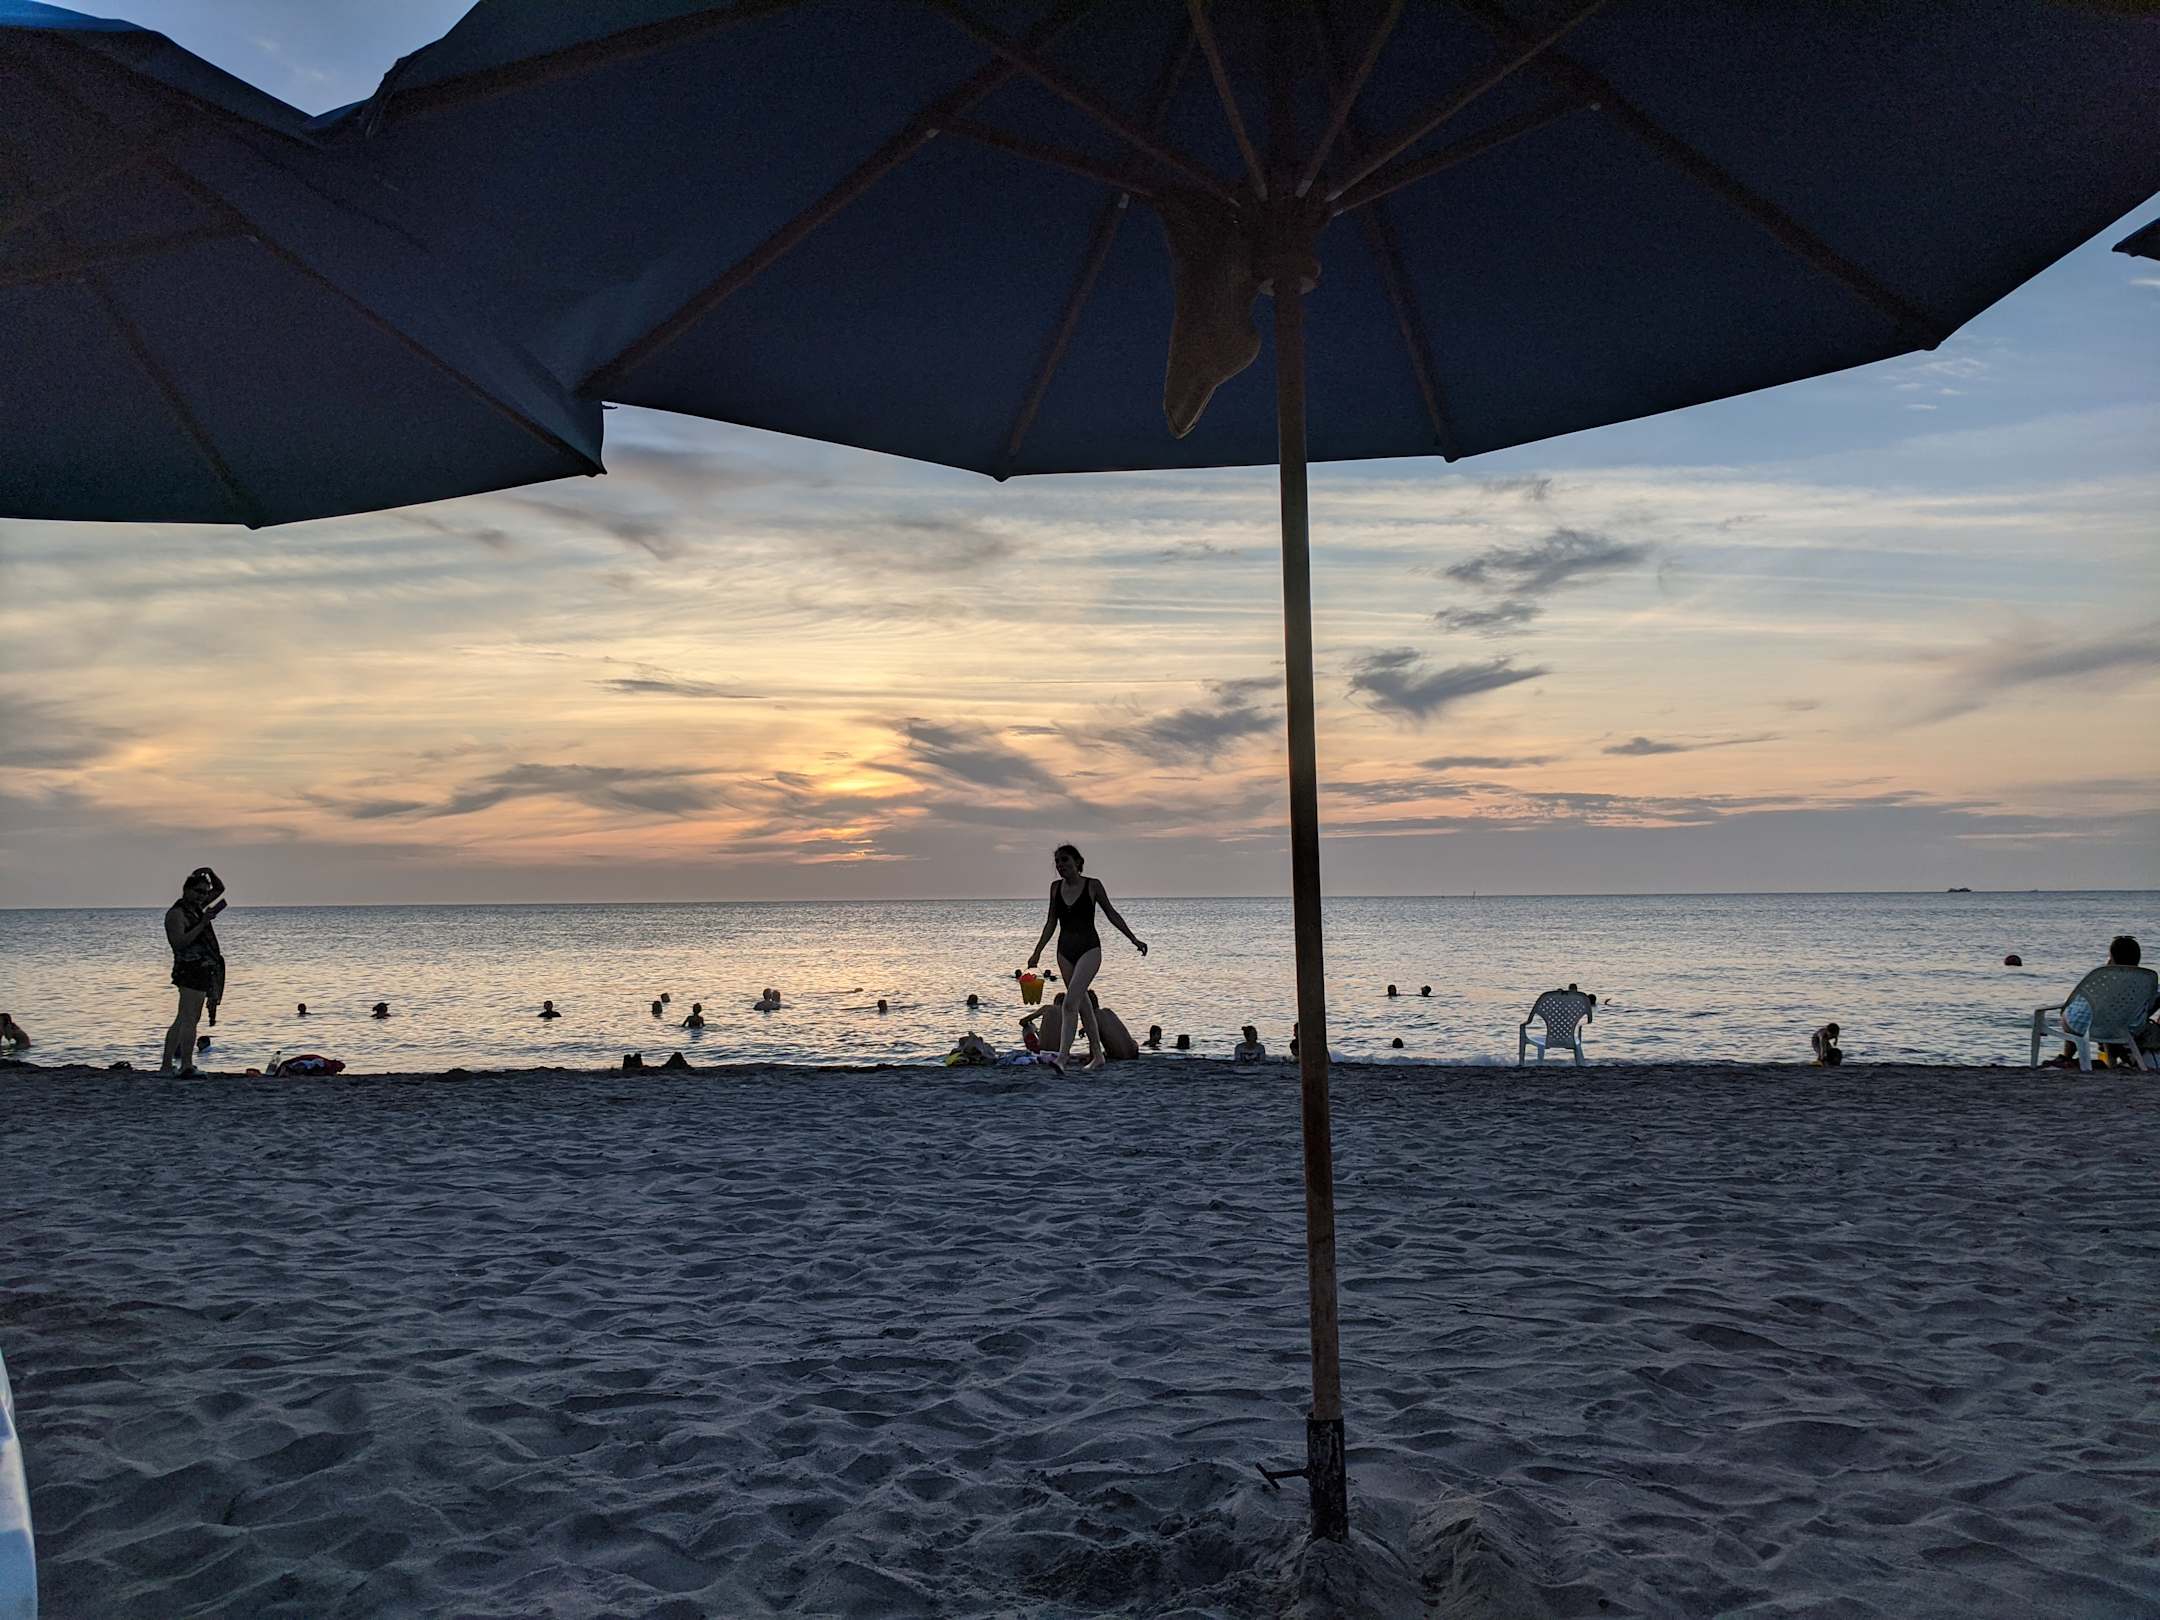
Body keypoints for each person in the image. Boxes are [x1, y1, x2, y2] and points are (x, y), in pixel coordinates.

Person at [1026, 843, 1148, 1073]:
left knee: (1069, 1003)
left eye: (1065, 860)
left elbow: (1111, 913)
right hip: (1064, 952)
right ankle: (1098, 1055)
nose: (1060, 865)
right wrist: (1037, 951)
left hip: (1089, 950)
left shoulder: (1093, 885)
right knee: (1083, 1006)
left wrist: (1134, 939)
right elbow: (1051, 922)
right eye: (1057, 862)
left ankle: (1062, 1057)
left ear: (1078, 862)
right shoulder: (1055, 888)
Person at [161, 866, 226, 1076]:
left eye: (205, 893)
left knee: (184, 1018)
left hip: (203, 968)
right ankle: (186, 1065)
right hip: (189, 969)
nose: (202, 896)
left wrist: (209, 872)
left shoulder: (196, 908)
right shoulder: (177, 914)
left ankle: (167, 1065)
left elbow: (220, 889)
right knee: (189, 1019)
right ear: (186, 890)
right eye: (198, 891)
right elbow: (179, 943)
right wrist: (203, 923)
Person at [1088, 991, 1140, 1062]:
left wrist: (1090, 1059)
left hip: (1120, 1056)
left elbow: (1093, 1043)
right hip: (1133, 1051)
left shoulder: (1093, 1019)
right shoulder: (1108, 1011)